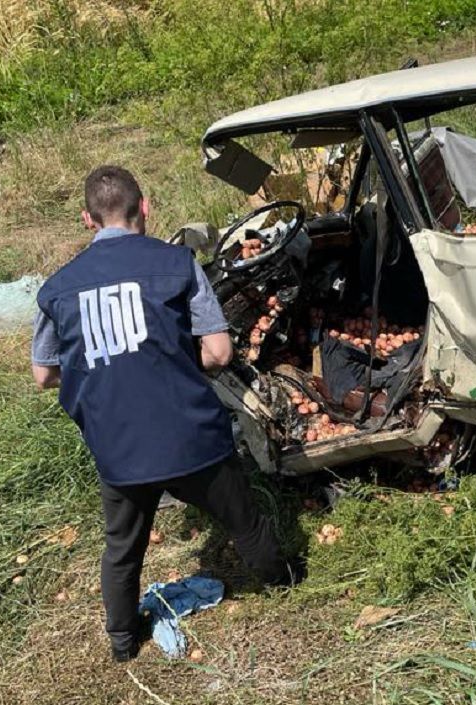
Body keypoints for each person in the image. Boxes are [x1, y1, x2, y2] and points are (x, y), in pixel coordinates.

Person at [30, 165, 299, 662]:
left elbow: (44, 376)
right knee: (245, 522)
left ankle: (122, 641)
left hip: (119, 449)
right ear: (146, 207)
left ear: (88, 220)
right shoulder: (177, 263)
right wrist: (166, 354)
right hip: (191, 436)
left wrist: (105, 366)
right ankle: (285, 586)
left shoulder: (56, 289)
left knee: (122, 550)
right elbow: (218, 353)